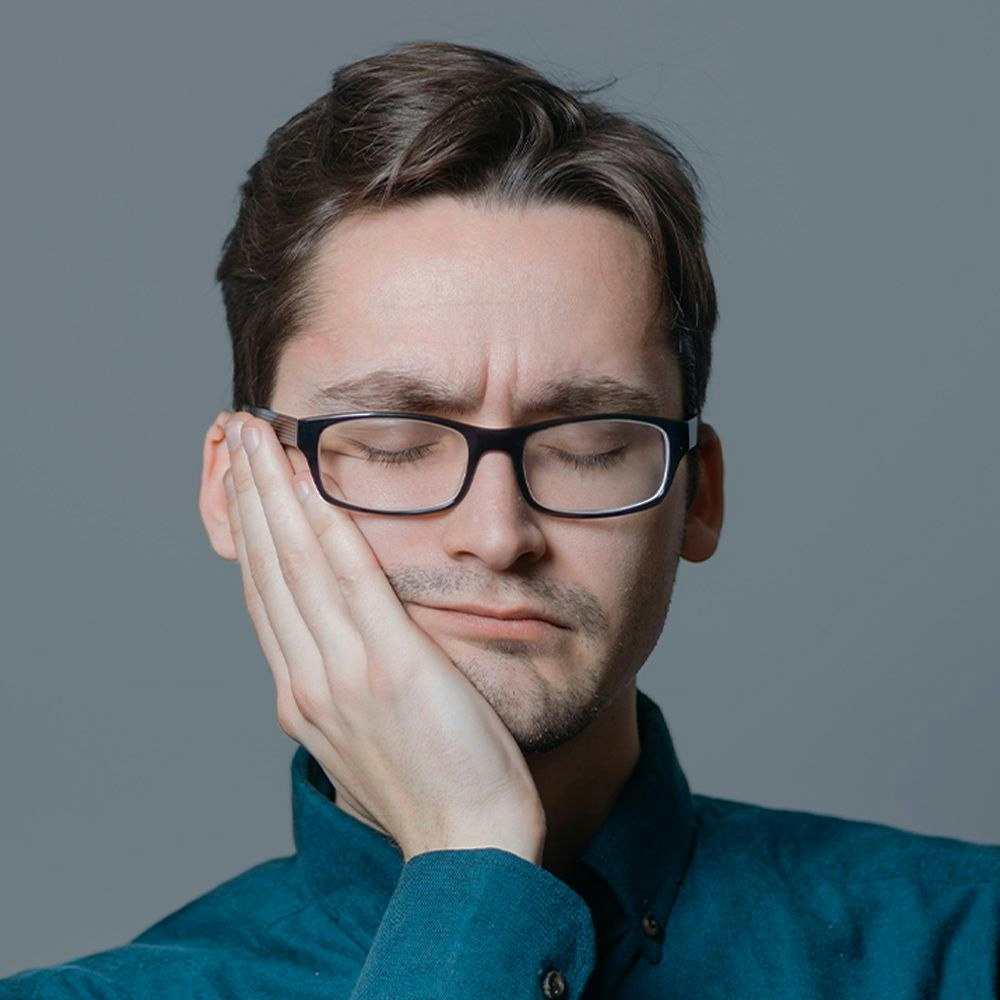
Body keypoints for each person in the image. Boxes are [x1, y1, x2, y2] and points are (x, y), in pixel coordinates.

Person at [3, 40, 996, 1000]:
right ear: (235, 490)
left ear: (699, 495)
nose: (497, 532)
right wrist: (472, 866)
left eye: (591, 444)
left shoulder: (970, 944)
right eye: (395, 442)